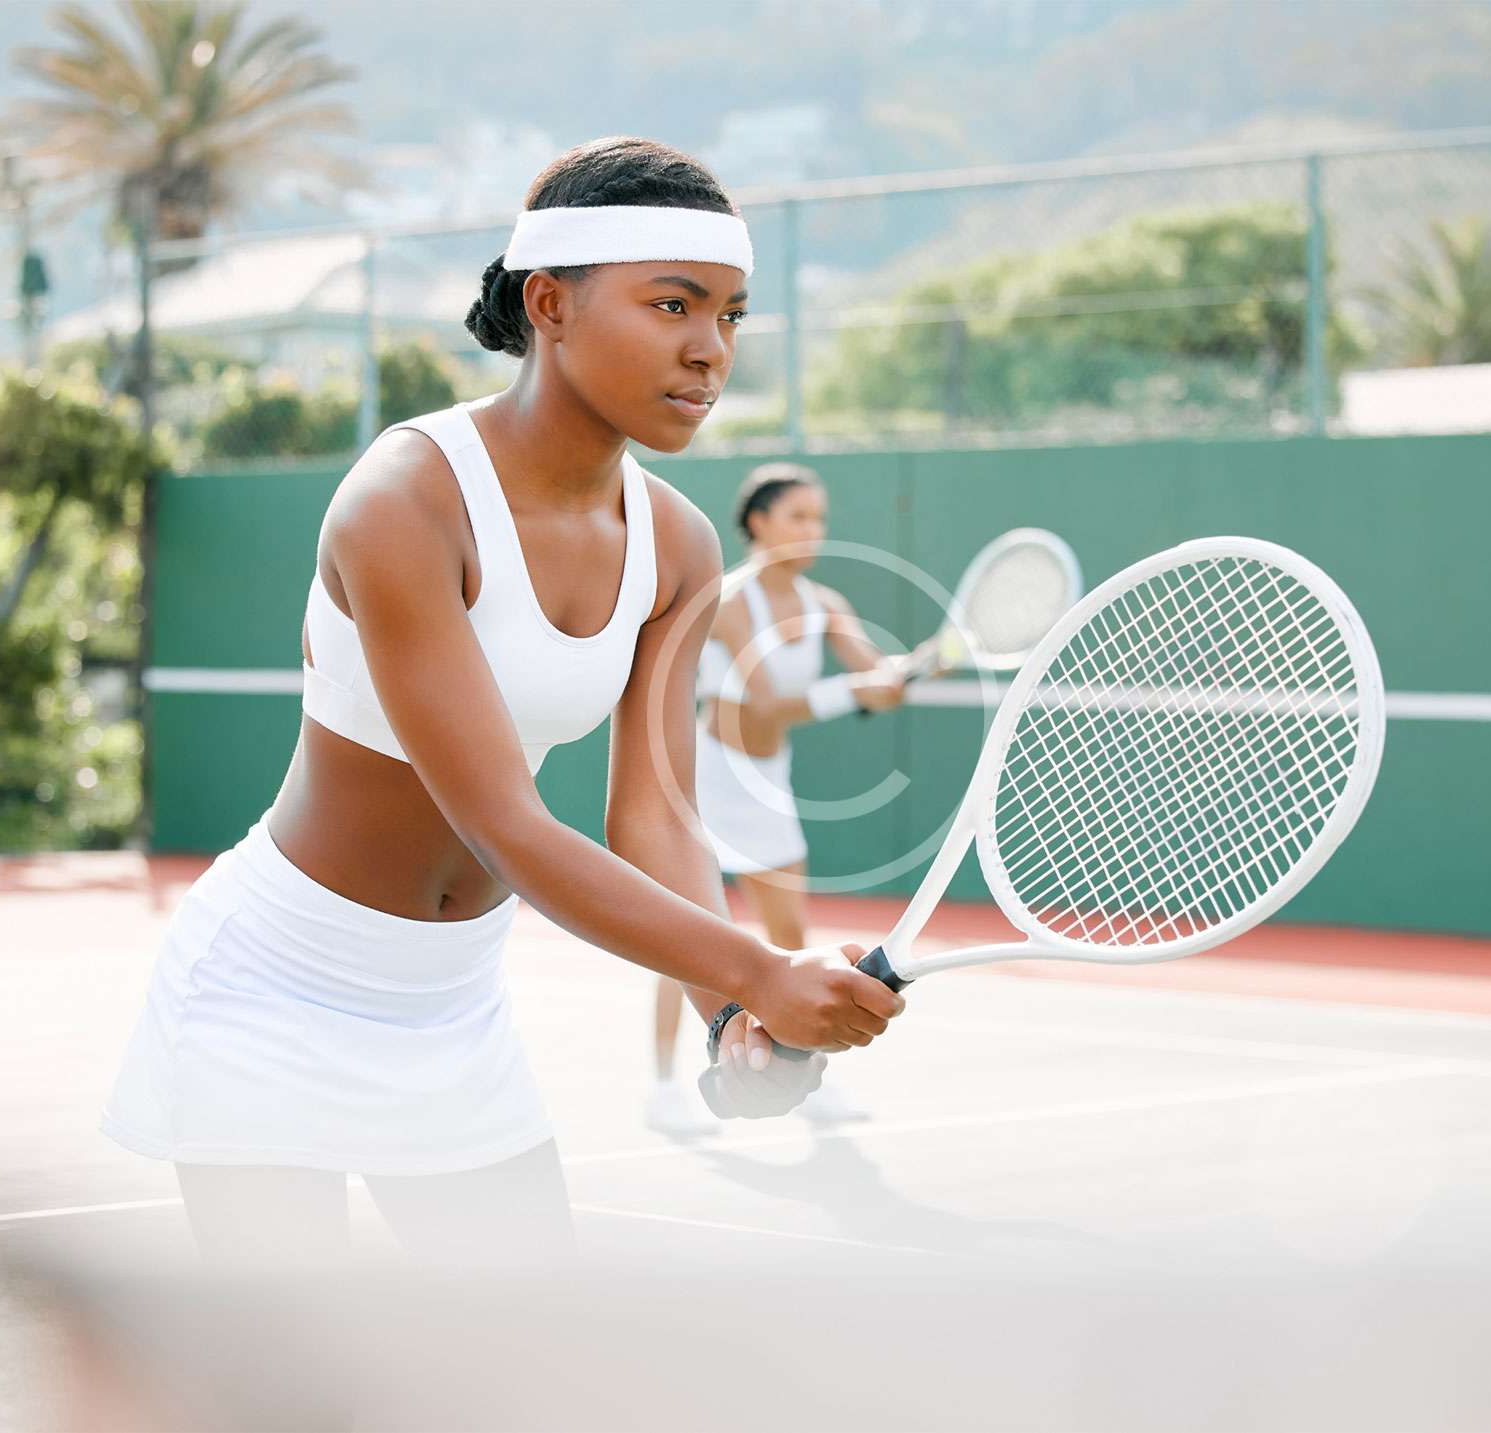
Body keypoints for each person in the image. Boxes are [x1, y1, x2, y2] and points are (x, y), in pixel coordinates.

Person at [100, 137, 905, 1270]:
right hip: (273, 991)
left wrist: (732, 1017)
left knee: (529, 1371)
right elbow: (504, 824)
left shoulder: (676, 542)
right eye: (672, 303)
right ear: (549, 304)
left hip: (455, 1009)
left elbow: (660, 815)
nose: (710, 348)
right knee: (294, 1383)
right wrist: (756, 968)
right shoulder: (407, 497)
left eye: (732, 314)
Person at [645, 464, 910, 1135]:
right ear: (758, 523)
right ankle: (662, 1087)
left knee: (791, 938)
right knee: (689, 942)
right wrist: (856, 692)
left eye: (819, 518)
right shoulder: (731, 599)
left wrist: (889, 680)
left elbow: (872, 672)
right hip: (708, 780)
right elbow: (762, 704)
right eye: (798, 516)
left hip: (769, 784)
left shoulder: (824, 602)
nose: (812, 530)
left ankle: (807, 1078)